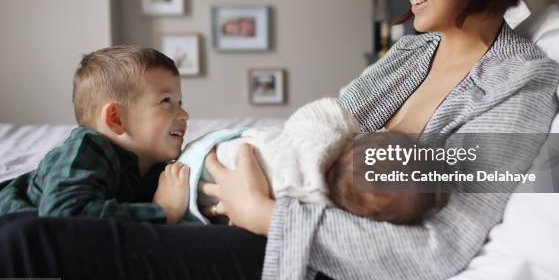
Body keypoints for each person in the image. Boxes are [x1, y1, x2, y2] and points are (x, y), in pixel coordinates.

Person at [0, 0, 559, 280]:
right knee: (12, 226)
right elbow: (318, 128)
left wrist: (263, 213)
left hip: (316, 262)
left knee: (30, 258)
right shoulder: (416, 52)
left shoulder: (512, 85)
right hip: (255, 211)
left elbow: (437, 247)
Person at [0, 46, 191, 225]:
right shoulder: (87, 150)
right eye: (166, 101)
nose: (184, 115)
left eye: (180, 103)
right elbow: (65, 215)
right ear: (116, 119)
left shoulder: (157, 169)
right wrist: (164, 211)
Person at [180, 97, 441, 225]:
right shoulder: (316, 206)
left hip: (213, 158)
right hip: (209, 181)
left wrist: (350, 128)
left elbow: (329, 108)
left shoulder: (324, 134)